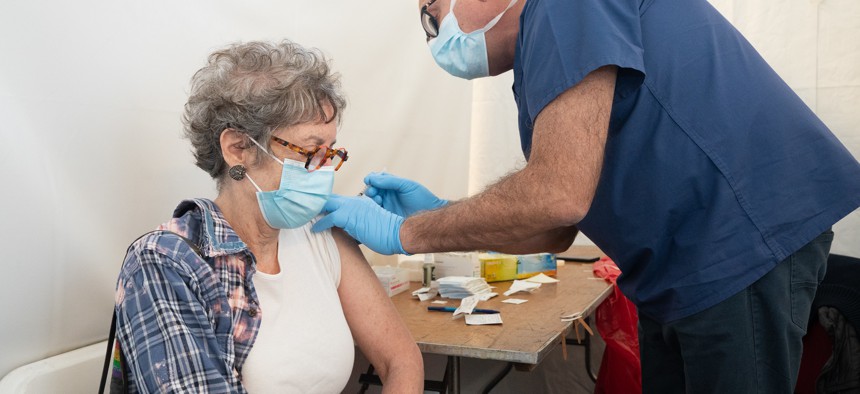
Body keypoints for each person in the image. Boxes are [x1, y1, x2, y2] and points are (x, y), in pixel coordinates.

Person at [312, 0, 860, 392]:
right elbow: (555, 225)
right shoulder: (543, 49)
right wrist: (440, 214)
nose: (437, 38)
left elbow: (556, 196)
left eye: (432, 16)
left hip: (736, 241)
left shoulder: (565, 8)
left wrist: (407, 232)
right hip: (684, 265)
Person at [113, 40, 423, 393]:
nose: (323, 171)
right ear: (238, 148)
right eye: (309, 151)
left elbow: (401, 361)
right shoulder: (168, 263)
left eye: (329, 152)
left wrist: (418, 228)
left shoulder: (321, 233)